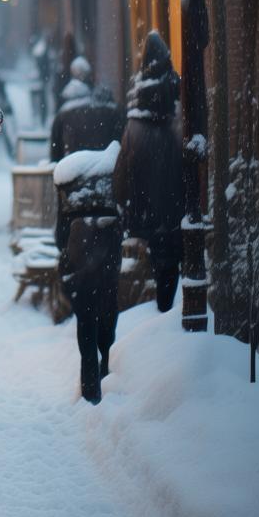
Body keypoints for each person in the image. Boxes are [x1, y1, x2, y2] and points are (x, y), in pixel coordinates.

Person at [113, 31, 184, 312]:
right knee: (170, 269)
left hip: (146, 212)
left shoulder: (134, 127)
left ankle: (159, 324)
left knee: (158, 269)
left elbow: (121, 177)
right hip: (175, 209)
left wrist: (125, 207)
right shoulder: (177, 114)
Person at [53, 142, 123, 404]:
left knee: (86, 322)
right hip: (107, 258)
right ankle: (106, 376)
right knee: (107, 315)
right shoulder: (111, 177)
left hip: (79, 260)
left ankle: (90, 387)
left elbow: (60, 236)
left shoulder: (68, 188)